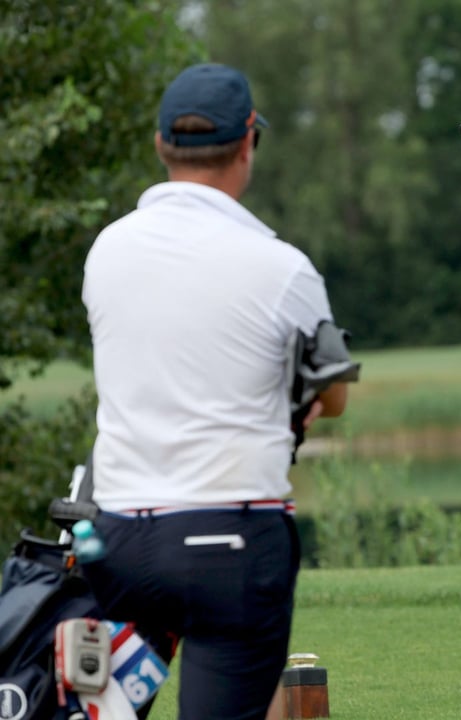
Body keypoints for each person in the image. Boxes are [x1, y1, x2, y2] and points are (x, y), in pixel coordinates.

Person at [80, 62, 352, 719]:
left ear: (159, 145)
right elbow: (334, 395)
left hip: (117, 543)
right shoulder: (283, 267)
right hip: (231, 541)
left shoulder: (105, 250)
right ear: (249, 140)